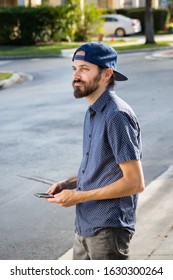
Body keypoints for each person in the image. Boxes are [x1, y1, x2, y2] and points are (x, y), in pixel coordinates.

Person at [46, 42, 145, 260]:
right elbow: (101, 166)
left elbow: (135, 182)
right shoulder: (93, 112)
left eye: (84, 69)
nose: (76, 75)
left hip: (108, 229)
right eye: (74, 69)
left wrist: (78, 195)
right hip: (85, 225)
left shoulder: (116, 115)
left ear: (106, 74)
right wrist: (69, 184)